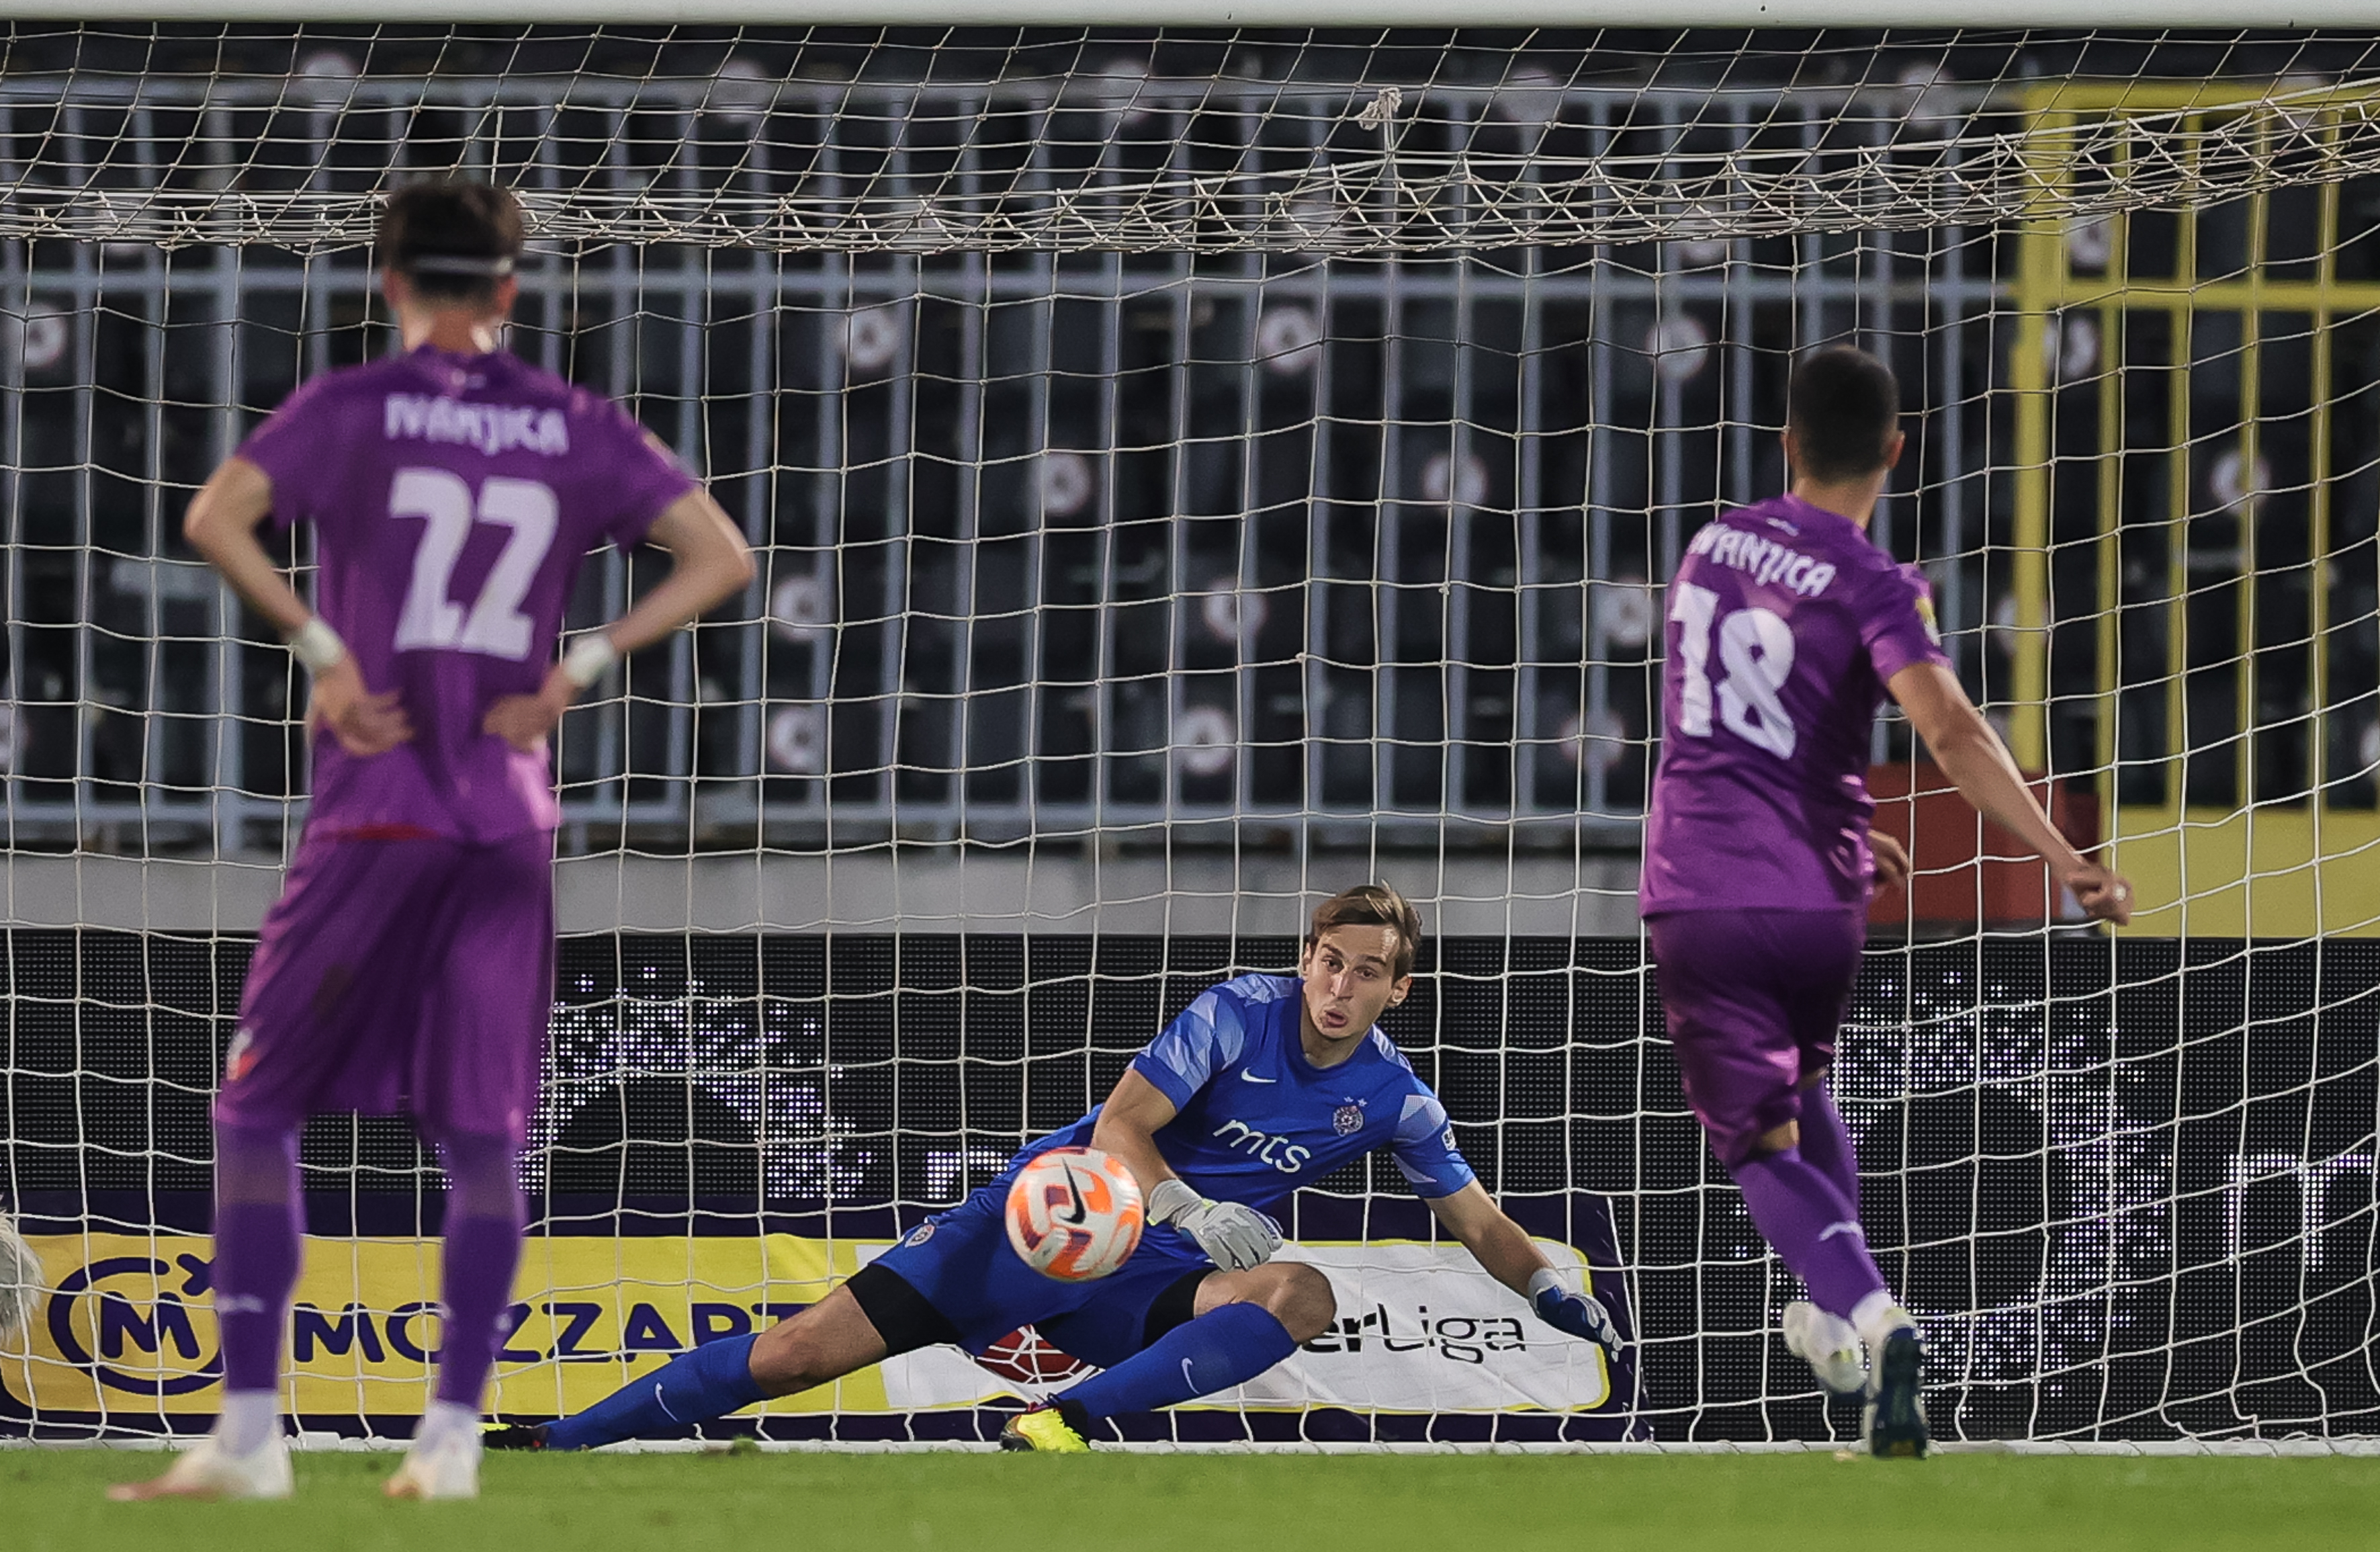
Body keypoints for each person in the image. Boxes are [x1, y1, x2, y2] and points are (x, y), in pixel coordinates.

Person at [111, 179, 754, 1502]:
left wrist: (325, 653)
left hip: (378, 805)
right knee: (479, 1139)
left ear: (390, 283)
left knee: (255, 1106)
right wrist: (582, 664)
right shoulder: (572, 424)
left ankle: (246, 1435)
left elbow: (213, 518)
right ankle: (452, 1438)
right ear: (512, 293)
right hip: (507, 821)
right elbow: (719, 555)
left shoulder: (348, 412)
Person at [490, 883, 1621, 1454]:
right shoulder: (1237, 1012)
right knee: (791, 1355)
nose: (1338, 984)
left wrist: (1547, 1289)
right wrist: (1186, 1199)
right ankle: (556, 1436)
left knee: (1303, 1291)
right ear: (1306, 958)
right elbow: (1123, 1128)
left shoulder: (1396, 1096)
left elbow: (1476, 1217)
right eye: (1328, 960)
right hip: (1040, 1227)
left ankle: (1064, 1420)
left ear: (1395, 990)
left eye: (1365, 972)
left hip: (1145, 1283)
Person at [1639, 345, 2134, 1459]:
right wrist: (2066, 857)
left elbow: (1726, 732)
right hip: (1823, 899)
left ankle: (1875, 1317)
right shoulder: (1876, 583)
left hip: (1704, 889)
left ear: (1786, 441)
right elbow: (1951, 731)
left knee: (1759, 1147)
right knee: (1806, 1085)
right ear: (1896, 450)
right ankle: (1838, 1322)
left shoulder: (1711, 547)